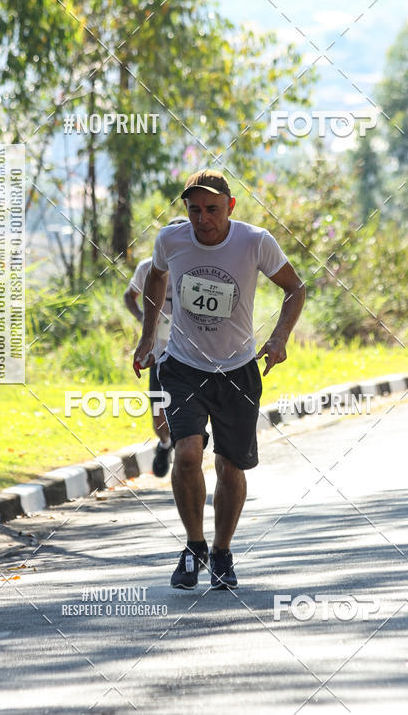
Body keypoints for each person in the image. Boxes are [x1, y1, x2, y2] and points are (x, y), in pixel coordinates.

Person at [132, 169, 305, 590]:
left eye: (212, 209)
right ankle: (194, 547)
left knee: (230, 465)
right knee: (187, 454)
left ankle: (223, 551)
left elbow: (295, 288)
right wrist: (147, 336)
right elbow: (155, 278)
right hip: (182, 366)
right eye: (194, 210)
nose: (202, 219)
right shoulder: (170, 240)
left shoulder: (255, 241)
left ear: (230, 207)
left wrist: (279, 337)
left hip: (238, 370)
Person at [124, 216, 190, 476]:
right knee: (158, 417)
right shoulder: (148, 268)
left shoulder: (196, 267)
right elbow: (130, 295)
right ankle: (165, 443)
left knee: (189, 414)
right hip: (159, 356)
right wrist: (144, 318)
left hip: (192, 356)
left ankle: (186, 450)